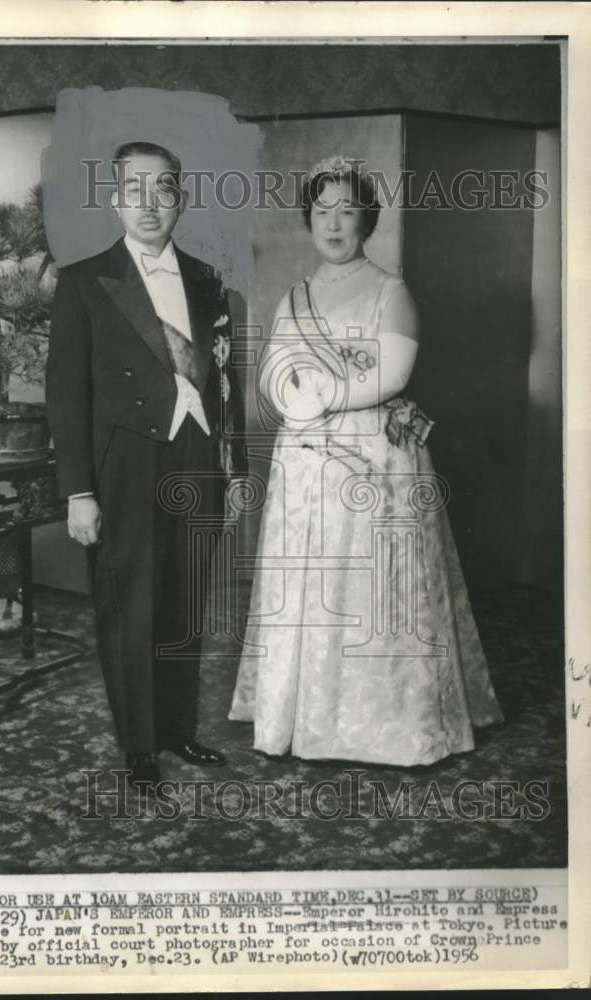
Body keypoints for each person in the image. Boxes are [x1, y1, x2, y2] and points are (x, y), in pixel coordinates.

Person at [229, 155, 503, 767]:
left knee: (370, 586)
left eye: (346, 210)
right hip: (304, 460)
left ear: (366, 218)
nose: (333, 223)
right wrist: (294, 398)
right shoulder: (293, 296)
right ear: (309, 219)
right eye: (322, 211)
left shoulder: (390, 291)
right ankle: (299, 717)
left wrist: (323, 394)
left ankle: (386, 725)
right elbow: (273, 373)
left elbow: (393, 373)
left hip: (372, 458)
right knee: (312, 581)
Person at [46, 140, 245, 795]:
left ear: (180, 198)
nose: (149, 203)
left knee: (184, 600)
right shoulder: (82, 280)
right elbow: (66, 395)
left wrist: (234, 467)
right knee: (129, 605)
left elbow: (224, 386)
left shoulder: (208, 280)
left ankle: (177, 729)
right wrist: (78, 491)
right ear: (114, 199)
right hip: (124, 463)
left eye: (163, 189)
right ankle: (139, 748)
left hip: (196, 456)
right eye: (135, 189)